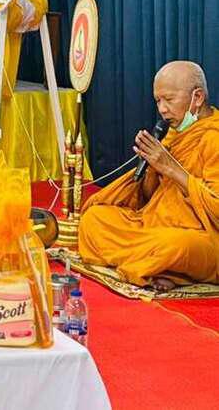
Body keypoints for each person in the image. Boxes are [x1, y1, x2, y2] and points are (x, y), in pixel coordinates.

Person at [78, 61, 219, 291]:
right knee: (94, 219)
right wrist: (152, 168)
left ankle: (159, 265)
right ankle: (160, 268)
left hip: (202, 236)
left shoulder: (214, 137)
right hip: (153, 227)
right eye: (158, 101)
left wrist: (171, 168)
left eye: (169, 99)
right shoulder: (173, 134)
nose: (162, 109)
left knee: (176, 246)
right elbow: (148, 199)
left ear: (198, 97)